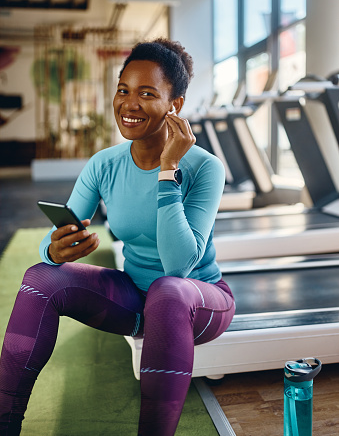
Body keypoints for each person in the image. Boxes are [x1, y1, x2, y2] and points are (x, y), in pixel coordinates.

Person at [0, 38, 235, 436]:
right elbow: (61, 232)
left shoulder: (205, 168)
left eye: (147, 93)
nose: (129, 104)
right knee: (40, 279)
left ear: (175, 105)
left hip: (197, 302)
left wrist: (167, 171)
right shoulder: (103, 164)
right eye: (123, 90)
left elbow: (180, 265)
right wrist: (54, 250)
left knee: (168, 289)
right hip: (134, 298)